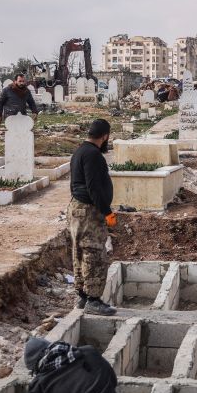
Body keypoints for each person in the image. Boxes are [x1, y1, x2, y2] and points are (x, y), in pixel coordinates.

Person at [69, 119, 118, 316]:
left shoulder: (80, 151)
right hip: (89, 211)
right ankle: (93, 300)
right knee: (94, 254)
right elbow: (94, 187)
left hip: (76, 208)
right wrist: (107, 212)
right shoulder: (93, 155)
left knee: (79, 252)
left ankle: (82, 296)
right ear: (105, 136)